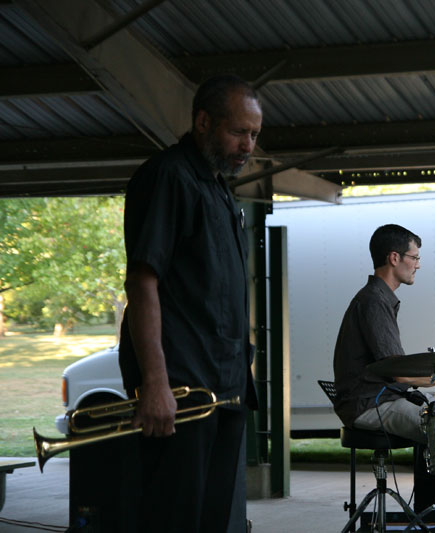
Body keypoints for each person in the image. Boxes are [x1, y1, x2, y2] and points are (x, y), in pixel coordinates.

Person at [119, 74, 260, 532]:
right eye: (239, 132)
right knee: (174, 520)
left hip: (224, 388)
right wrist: (155, 383)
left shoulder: (219, 189)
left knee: (213, 521)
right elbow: (142, 283)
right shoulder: (168, 176)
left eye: (254, 135)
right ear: (203, 122)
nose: (248, 145)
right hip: (181, 391)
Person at [332, 223, 435, 525]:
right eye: (414, 258)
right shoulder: (374, 301)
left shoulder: (377, 297)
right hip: (370, 405)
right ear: (394, 258)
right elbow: (398, 374)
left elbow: (395, 370)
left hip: (376, 399)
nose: (417, 265)